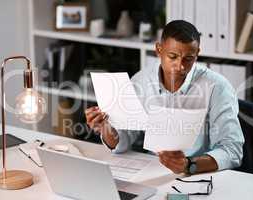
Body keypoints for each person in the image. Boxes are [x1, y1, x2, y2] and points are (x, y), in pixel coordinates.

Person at [85, 20, 244, 175]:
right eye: (173, 56)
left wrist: (188, 165)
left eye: (188, 58)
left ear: (197, 54)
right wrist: (105, 128)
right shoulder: (142, 81)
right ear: (159, 50)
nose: (180, 66)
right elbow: (122, 142)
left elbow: (232, 150)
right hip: (153, 172)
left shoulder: (218, 87)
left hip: (201, 174)